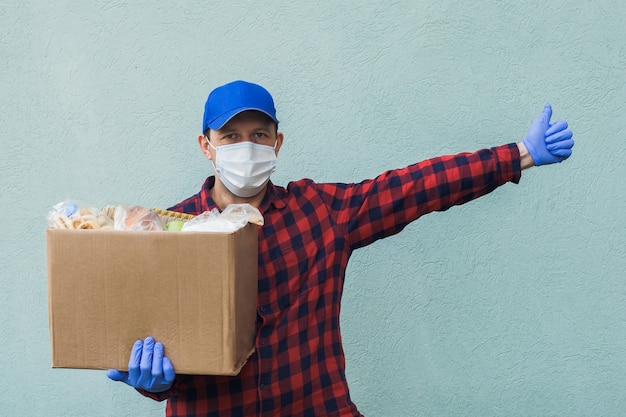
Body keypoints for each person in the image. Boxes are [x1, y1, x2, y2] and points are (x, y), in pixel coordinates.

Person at [107, 80, 574, 416]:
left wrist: (520, 154)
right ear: (207, 146)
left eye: (258, 135)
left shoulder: (321, 213)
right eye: (230, 137)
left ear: (277, 143)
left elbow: (413, 188)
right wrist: (155, 383)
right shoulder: (170, 231)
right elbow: (153, 339)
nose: (245, 148)